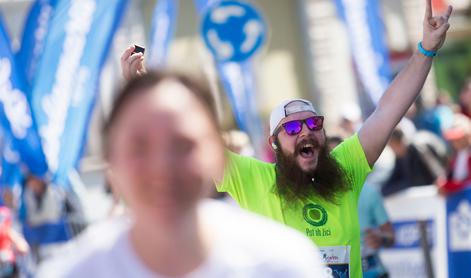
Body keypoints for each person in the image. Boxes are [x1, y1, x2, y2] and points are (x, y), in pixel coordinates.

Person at [120, 2, 452, 276]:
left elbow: (388, 110)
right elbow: (190, 139)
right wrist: (143, 88)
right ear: (274, 143)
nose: (305, 131)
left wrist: (426, 49)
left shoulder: (346, 168)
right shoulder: (254, 178)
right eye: (292, 129)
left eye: (313, 123)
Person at [38, 72, 324, 277]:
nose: (162, 167)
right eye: (139, 146)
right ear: (111, 163)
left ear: (217, 155)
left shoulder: (284, 263)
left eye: (183, 144)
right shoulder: (71, 272)